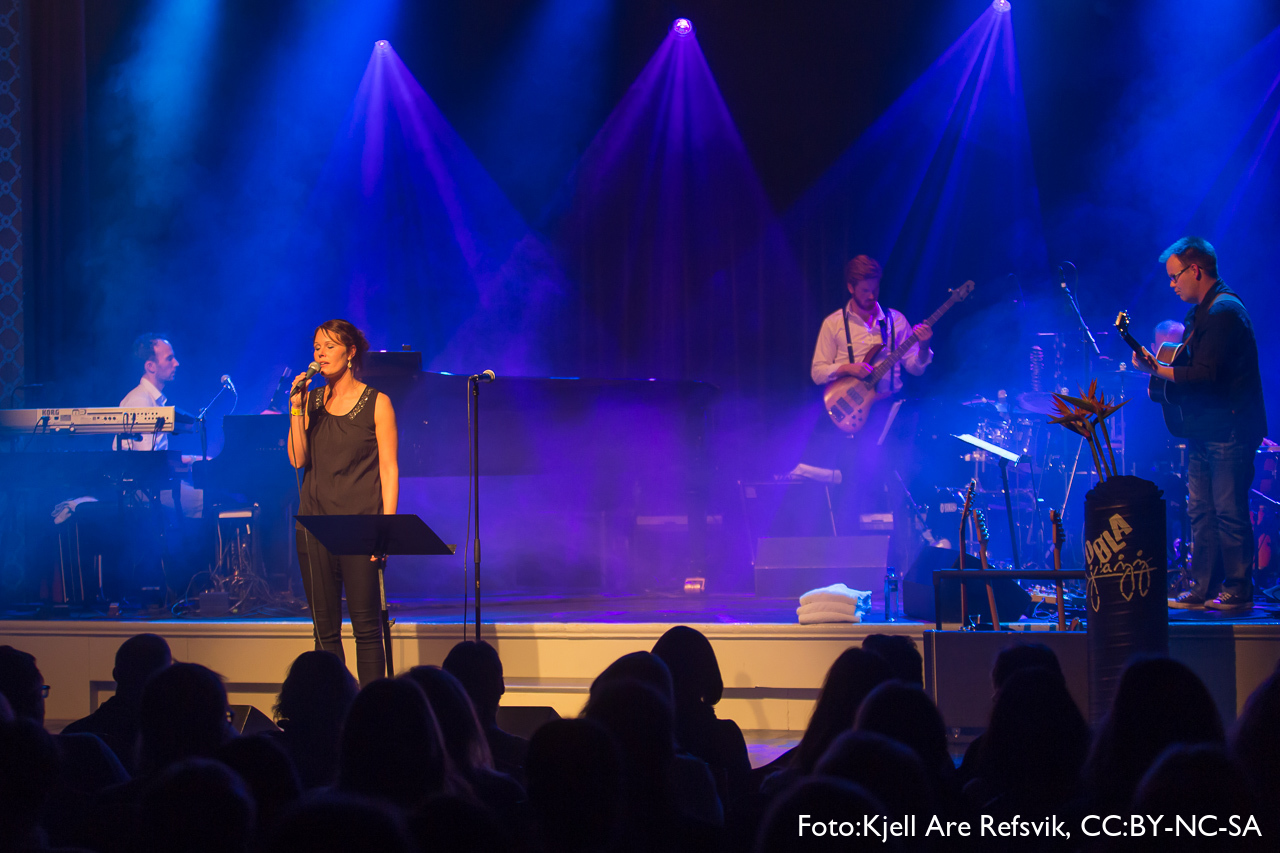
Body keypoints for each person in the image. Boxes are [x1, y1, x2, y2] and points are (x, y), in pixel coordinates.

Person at [1131, 238, 1268, 611]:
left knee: (1228, 509)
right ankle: (1202, 587)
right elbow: (1188, 362)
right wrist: (1155, 364)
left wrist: (1157, 369)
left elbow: (1205, 375)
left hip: (1231, 429)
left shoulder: (1224, 311)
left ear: (1195, 270)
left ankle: (1239, 589)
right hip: (1205, 428)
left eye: (1175, 276)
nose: (1172, 284)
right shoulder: (1199, 313)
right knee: (1200, 510)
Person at [288, 319, 399, 686]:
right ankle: (332, 710)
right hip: (314, 526)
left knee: (366, 628)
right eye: (316, 346)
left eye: (329, 346)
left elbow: (389, 468)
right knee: (325, 631)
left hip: (360, 528)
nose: (320, 353)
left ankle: (372, 710)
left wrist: (386, 529)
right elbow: (298, 459)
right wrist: (296, 408)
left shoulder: (377, 403)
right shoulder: (312, 401)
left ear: (350, 353)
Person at [810, 255, 933, 538]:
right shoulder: (834, 324)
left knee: (894, 479)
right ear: (850, 287)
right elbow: (818, 372)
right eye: (864, 290)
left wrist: (924, 346)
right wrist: (847, 368)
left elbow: (915, 367)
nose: (871, 295)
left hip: (891, 412)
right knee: (852, 484)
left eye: (875, 289)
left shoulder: (895, 320)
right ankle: (850, 548)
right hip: (853, 413)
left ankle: (898, 548)